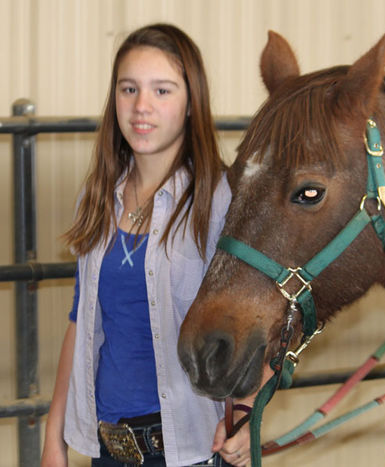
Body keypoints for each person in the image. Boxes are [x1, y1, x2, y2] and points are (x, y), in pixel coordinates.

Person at [41, 23, 252, 466]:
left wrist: (247, 414)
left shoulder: (219, 201)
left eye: (162, 91)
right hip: (106, 448)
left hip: (187, 451)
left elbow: (257, 319)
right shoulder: (98, 195)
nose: (141, 107)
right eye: (129, 88)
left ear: (192, 103)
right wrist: (53, 436)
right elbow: (81, 320)